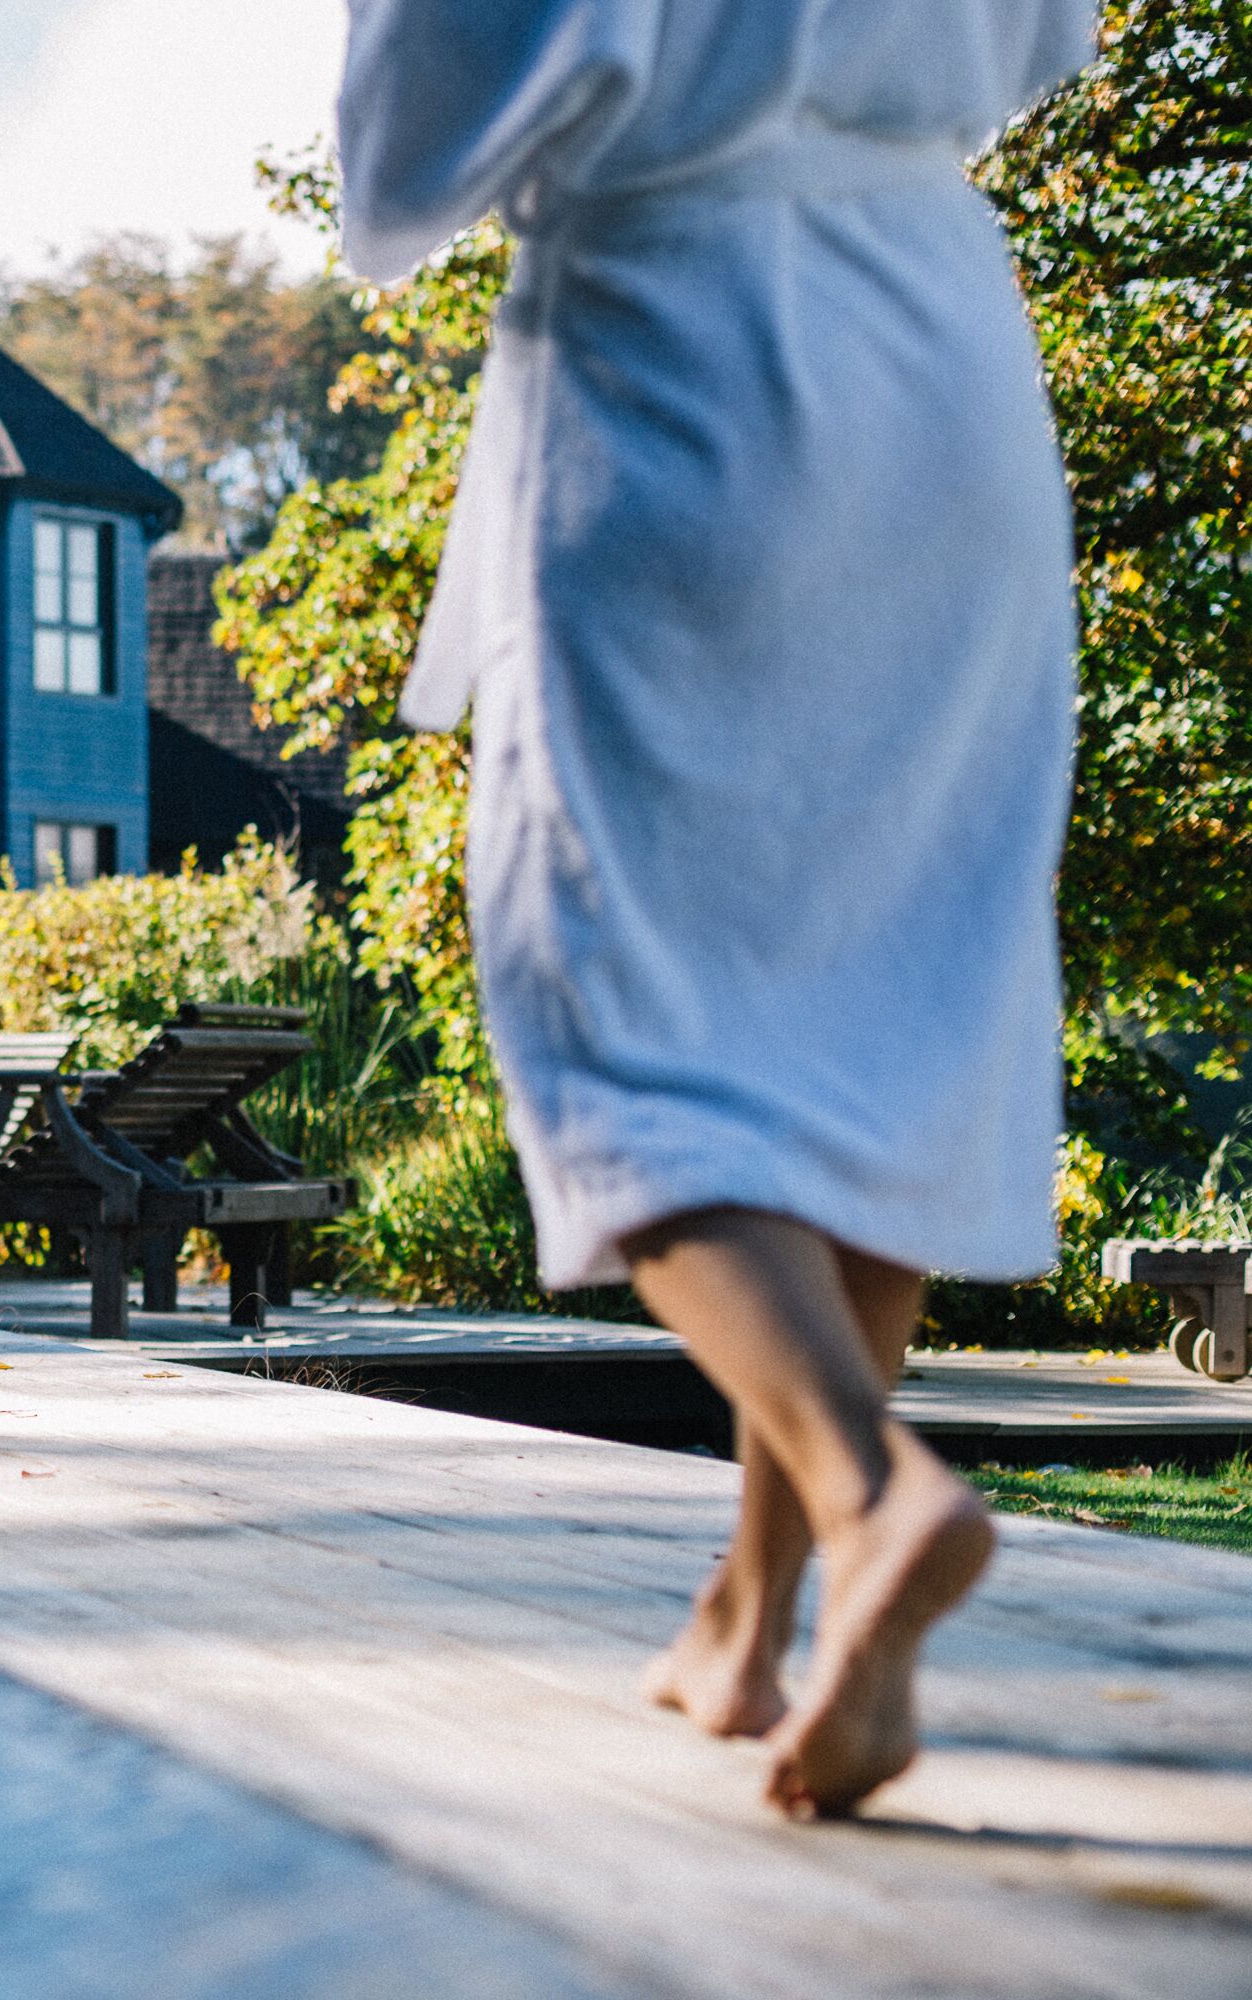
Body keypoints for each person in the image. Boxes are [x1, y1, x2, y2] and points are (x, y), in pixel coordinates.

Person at [335, 0, 1095, 1816]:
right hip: (944, 344)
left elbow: (416, 136)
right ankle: (756, 1631)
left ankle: (869, 1490)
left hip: (684, 336)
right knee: (882, 994)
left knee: (613, 1002)